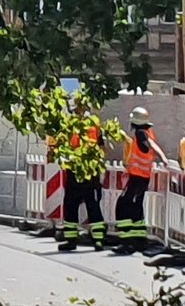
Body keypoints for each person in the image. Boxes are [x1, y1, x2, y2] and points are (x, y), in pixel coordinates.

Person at [55, 110, 108, 252]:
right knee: (92, 207)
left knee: (71, 207)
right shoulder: (95, 126)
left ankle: (72, 240)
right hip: (90, 172)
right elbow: (102, 148)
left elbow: (64, 148)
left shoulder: (70, 126)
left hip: (75, 172)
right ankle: (98, 240)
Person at [115, 108, 159, 253]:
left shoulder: (140, 134)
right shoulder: (148, 133)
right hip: (143, 177)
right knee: (136, 208)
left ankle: (127, 242)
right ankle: (139, 241)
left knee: (122, 206)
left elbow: (145, 148)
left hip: (137, 177)